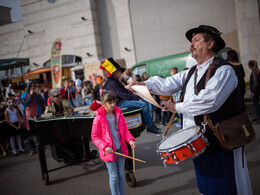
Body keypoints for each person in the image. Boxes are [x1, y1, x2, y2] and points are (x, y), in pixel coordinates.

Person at [130, 25, 252, 195]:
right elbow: (167, 84)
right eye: (191, 41)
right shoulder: (191, 72)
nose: (191, 44)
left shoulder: (224, 70)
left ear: (210, 44)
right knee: (206, 186)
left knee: (223, 185)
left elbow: (210, 101)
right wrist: (143, 84)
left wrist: (176, 107)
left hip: (221, 140)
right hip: (200, 141)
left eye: (196, 40)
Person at [101, 58, 161, 136]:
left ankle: (150, 125)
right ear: (114, 73)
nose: (120, 73)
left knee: (144, 102)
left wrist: (135, 96)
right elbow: (123, 94)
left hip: (121, 101)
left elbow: (124, 92)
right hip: (119, 103)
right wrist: (136, 98)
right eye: (119, 71)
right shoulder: (112, 83)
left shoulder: (114, 81)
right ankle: (150, 127)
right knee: (143, 104)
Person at [91, 91, 136, 195]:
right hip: (109, 151)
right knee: (114, 176)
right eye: (109, 103)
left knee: (120, 174)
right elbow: (94, 136)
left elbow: (125, 130)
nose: (112, 105)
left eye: (113, 102)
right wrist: (104, 146)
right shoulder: (99, 118)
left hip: (120, 148)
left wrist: (130, 139)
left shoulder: (118, 114)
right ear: (103, 104)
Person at [45, 89, 97, 162]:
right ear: (53, 98)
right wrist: (55, 115)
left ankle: (83, 154)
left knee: (81, 133)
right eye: (57, 96)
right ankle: (71, 155)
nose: (60, 96)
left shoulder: (66, 102)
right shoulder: (49, 107)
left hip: (68, 126)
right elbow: (46, 117)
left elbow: (72, 112)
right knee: (54, 140)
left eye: (60, 94)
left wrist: (67, 112)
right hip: (58, 128)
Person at [21, 81, 45, 156]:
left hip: (38, 114)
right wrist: (31, 95)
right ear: (28, 87)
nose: (33, 87)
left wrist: (38, 94)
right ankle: (32, 148)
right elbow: (27, 104)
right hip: (30, 116)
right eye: (31, 86)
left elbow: (42, 102)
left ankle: (41, 146)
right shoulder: (24, 95)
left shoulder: (37, 94)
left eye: (33, 86)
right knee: (31, 133)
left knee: (39, 131)